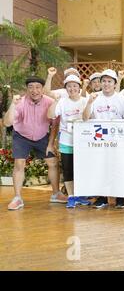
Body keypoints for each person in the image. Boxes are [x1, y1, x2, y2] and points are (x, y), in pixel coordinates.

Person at [4, 76, 66, 210]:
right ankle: (17, 198)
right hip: (21, 136)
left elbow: (55, 125)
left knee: (53, 162)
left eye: (38, 87)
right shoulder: (19, 103)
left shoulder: (50, 102)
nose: (34, 90)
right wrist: (13, 105)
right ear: (26, 89)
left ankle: (56, 194)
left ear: (42, 89)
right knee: (19, 163)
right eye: (31, 87)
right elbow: (7, 123)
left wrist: (51, 144)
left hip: (42, 136)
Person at [82, 69, 124, 209]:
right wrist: (89, 103)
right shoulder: (94, 97)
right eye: (104, 81)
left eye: (110, 81)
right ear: (100, 83)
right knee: (101, 168)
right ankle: (102, 198)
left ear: (115, 84)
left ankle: (120, 198)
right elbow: (85, 118)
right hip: (99, 140)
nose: (106, 84)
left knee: (118, 168)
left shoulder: (122, 99)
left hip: (117, 140)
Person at [47, 75, 90, 208]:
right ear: (66, 88)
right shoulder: (62, 102)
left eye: (75, 86)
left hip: (83, 142)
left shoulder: (85, 100)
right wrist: (55, 101)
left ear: (79, 87)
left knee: (82, 169)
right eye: (69, 86)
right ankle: (71, 196)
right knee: (68, 169)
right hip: (66, 141)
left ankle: (81, 195)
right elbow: (50, 115)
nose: (72, 88)